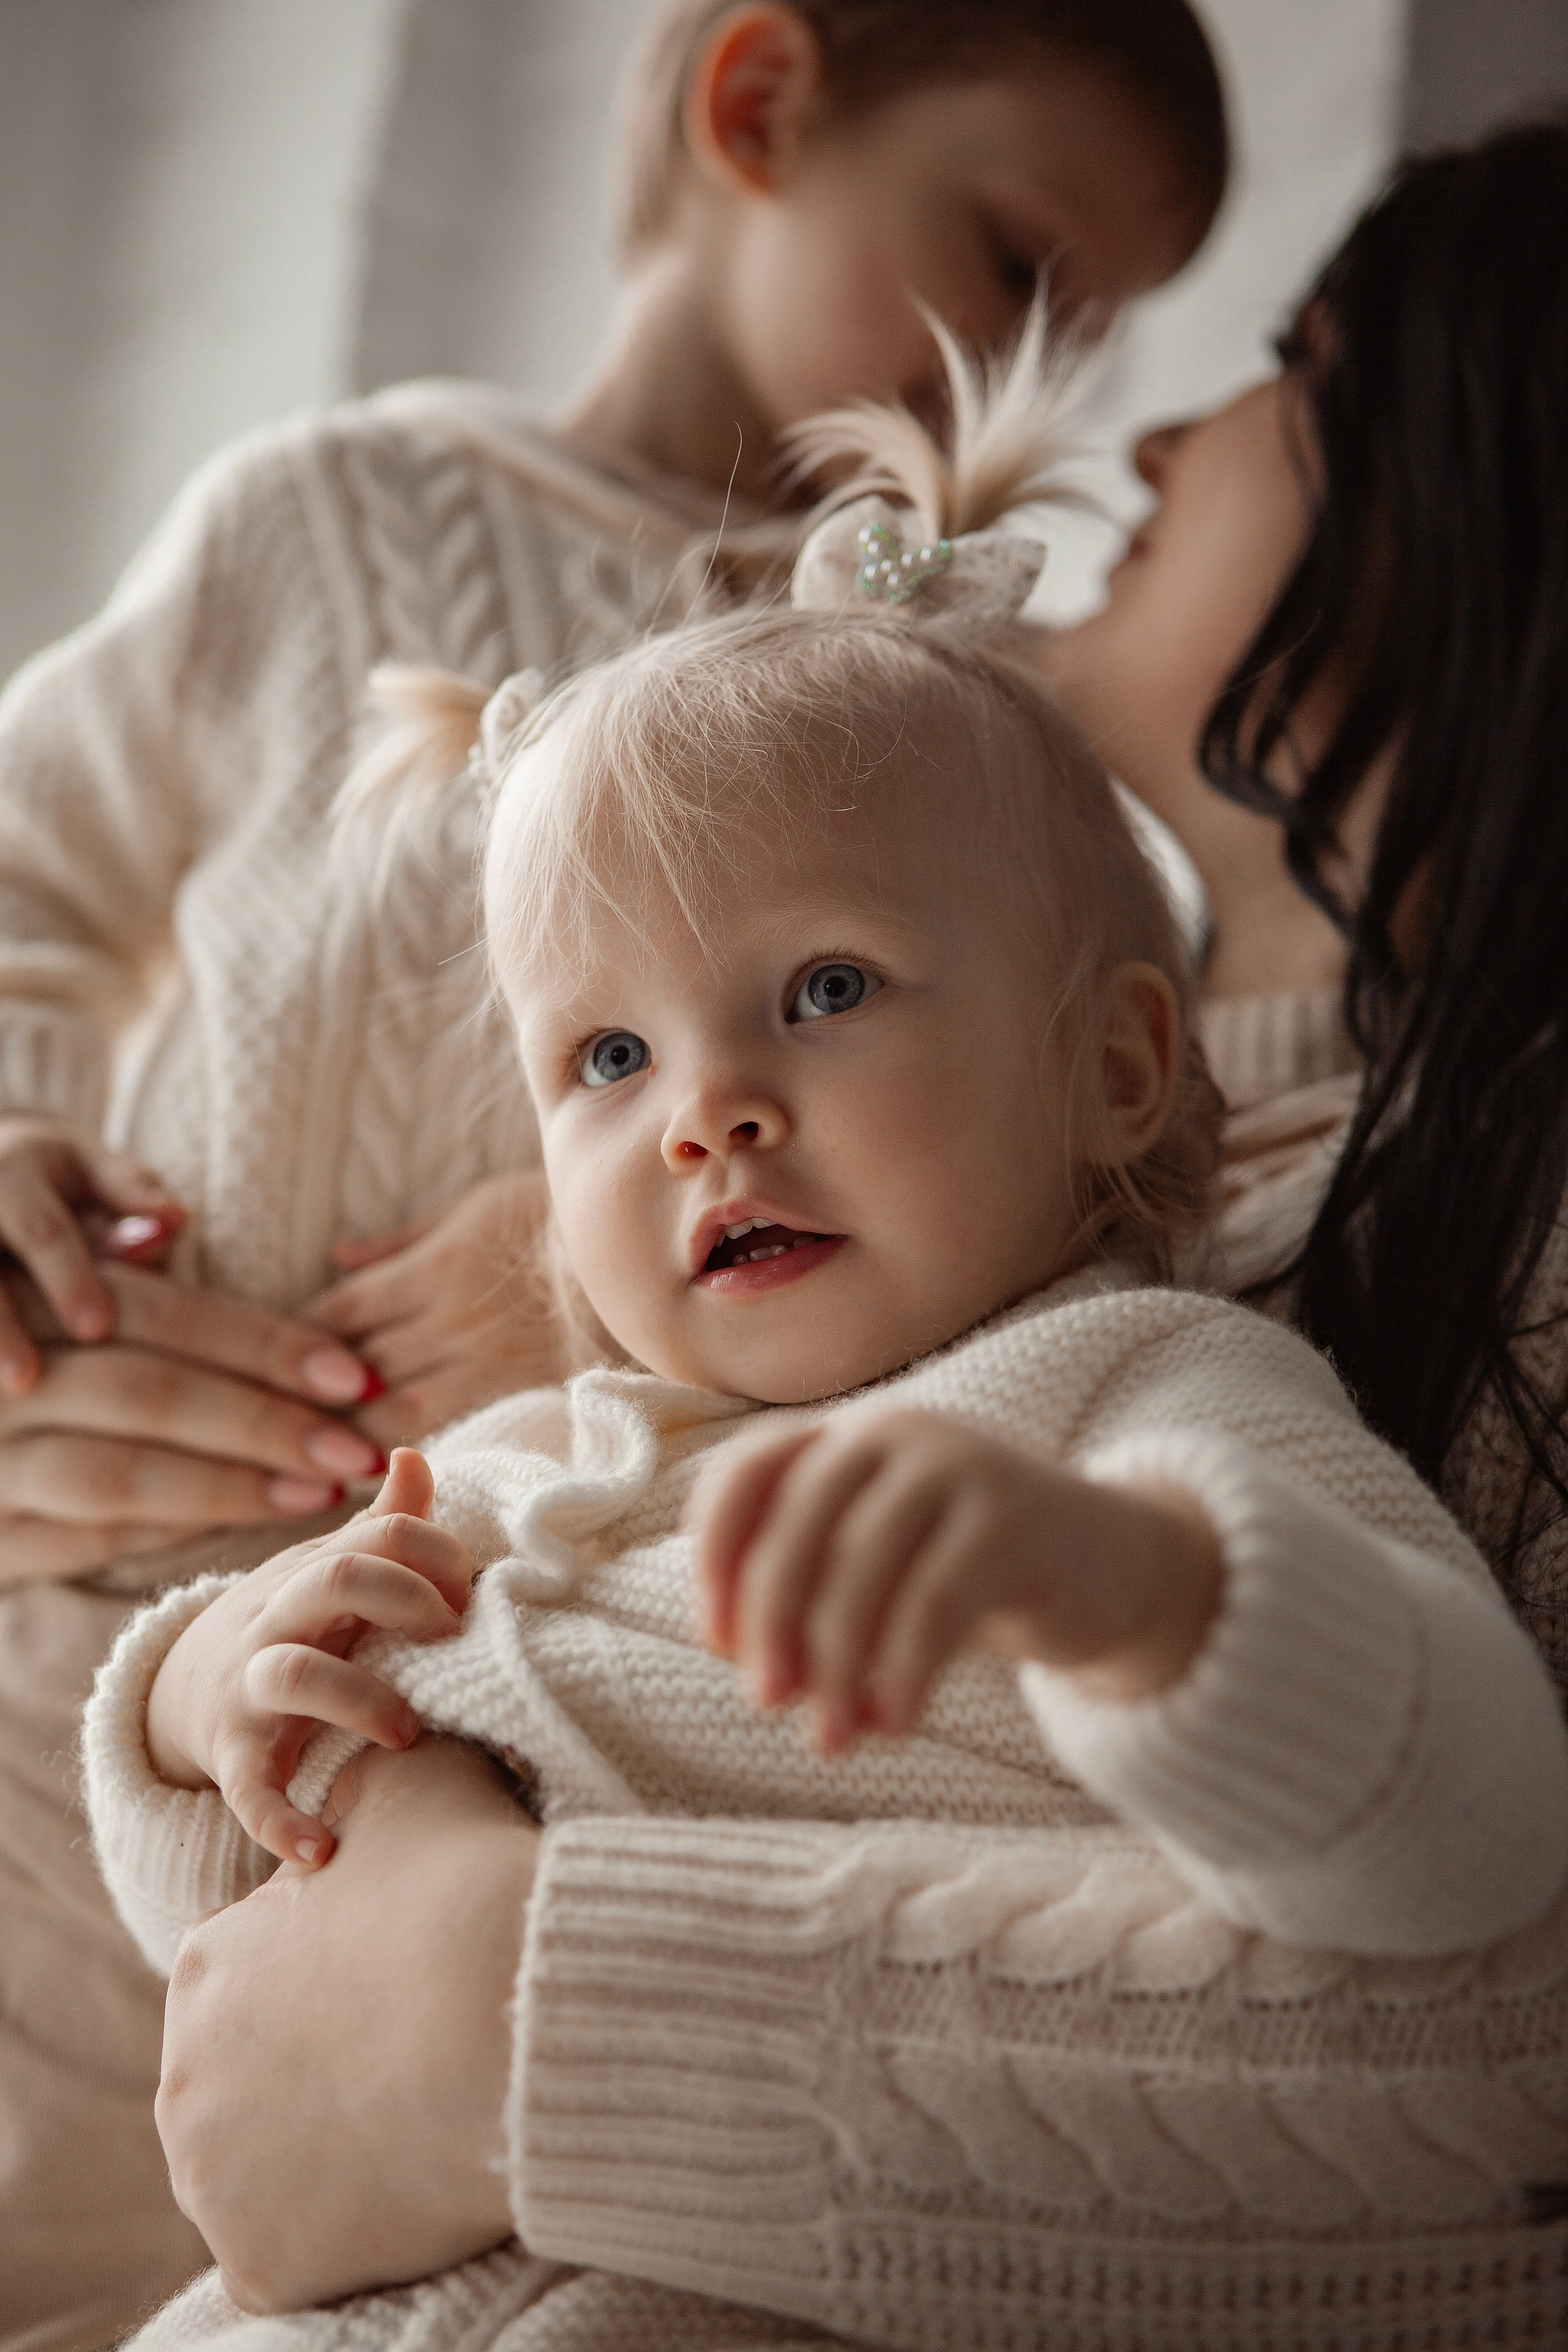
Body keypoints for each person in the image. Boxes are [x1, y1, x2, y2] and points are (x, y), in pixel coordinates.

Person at [85, 375, 1568, 2348]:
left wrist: (1151, 1601)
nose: (707, 1114)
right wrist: (200, 1694)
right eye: (609, 1057)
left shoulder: (1140, 1409)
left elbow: (1473, 1839)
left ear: (1116, 1065)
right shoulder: (516, 1465)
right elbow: (245, 1962)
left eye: (826, 987)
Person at [0, 6, 1232, 2341]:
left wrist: (575, 1276)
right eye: (1013, 257)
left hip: (449, 1757)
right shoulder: (318, 519)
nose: (1041, 364)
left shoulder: (941, 709)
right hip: (90, 1657)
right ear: (758, 103)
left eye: (1099, 320)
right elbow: (27, 874)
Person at [1042, 118, 1568, 1692]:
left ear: (1492, 489)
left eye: (1295, 361)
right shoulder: (957, 1098)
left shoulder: (1531, 1286)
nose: (1154, 444)